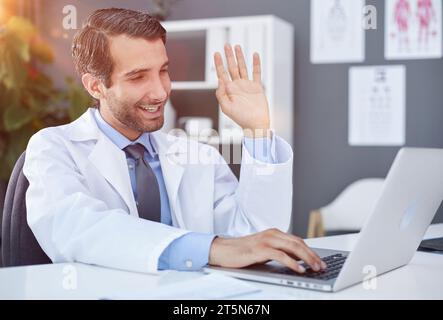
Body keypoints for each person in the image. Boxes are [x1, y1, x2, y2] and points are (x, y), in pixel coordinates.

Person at [24, 8, 326, 274]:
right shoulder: (53, 147)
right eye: (138, 77)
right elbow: (77, 229)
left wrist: (257, 129)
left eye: (164, 71)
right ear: (96, 85)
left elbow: (257, 236)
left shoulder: (197, 154)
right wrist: (210, 250)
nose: (160, 91)